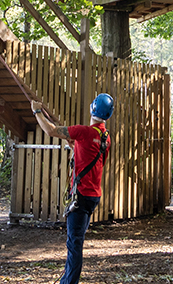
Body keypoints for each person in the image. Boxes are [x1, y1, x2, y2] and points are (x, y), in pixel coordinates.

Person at [31, 93, 114, 284]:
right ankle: (67, 279)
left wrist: (37, 111)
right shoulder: (105, 138)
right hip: (93, 195)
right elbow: (97, 160)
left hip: (81, 195)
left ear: (93, 108)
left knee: (74, 243)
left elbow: (51, 130)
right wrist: (76, 147)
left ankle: (69, 282)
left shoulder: (83, 132)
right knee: (76, 240)